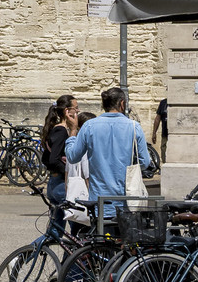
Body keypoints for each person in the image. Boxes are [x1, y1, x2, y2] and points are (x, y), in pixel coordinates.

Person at [65, 85, 153, 221]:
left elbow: (72, 156)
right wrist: (130, 170)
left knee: (102, 238)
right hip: (127, 200)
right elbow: (145, 162)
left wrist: (72, 133)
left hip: (100, 200)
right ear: (122, 104)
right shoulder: (134, 127)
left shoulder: (89, 126)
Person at [41, 94, 80, 227]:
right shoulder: (61, 131)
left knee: (55, 231)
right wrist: (67, 171)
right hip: (60, 185)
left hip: (54, 183)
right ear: (67, 111)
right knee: (77, 229)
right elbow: (52, 160)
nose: (78, 111)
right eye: (76, 108)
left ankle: (37, 248)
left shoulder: (56, 129)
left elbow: (45, 158)